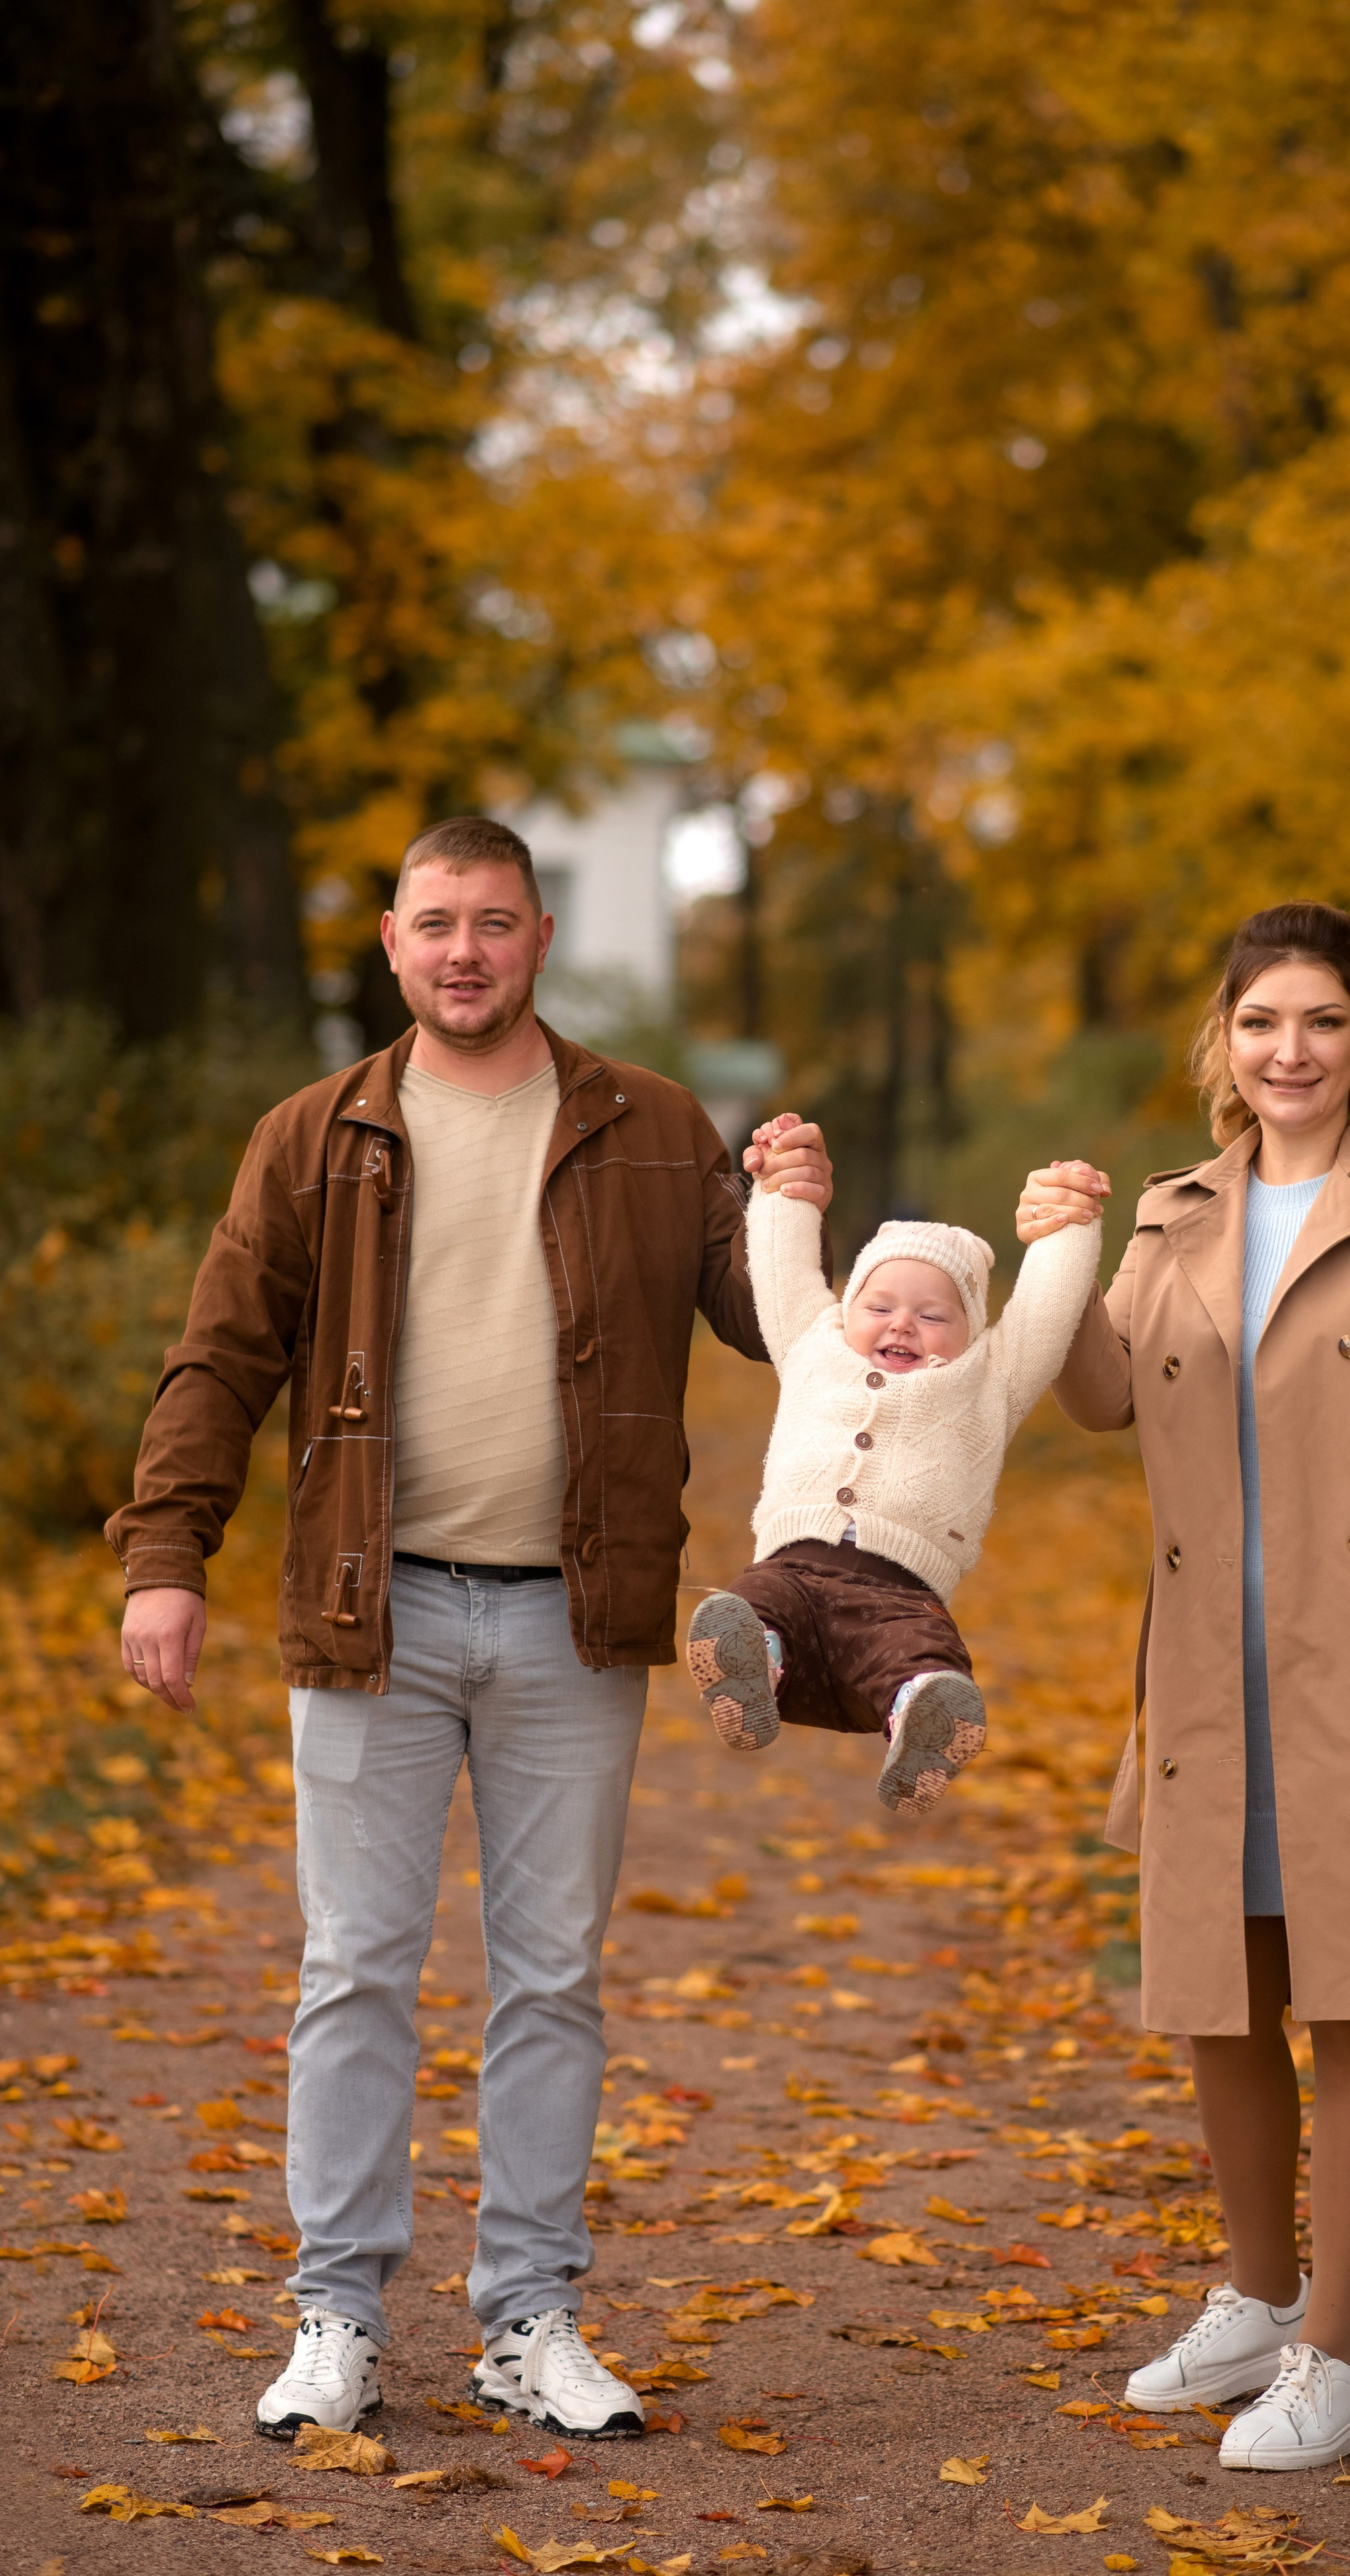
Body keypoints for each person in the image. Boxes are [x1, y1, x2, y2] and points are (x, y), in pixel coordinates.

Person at [107, 815, 832, 2445]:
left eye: (492, 922)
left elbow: (761, 1315)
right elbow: (219, 1356)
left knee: (551, 1978)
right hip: (374, 1611)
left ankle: (527, 2318)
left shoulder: (652, 1126)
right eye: (434, 922)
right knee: (354, 1967)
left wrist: (789, 1204)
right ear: (389, 940)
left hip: (576, 1618)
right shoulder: (315, 1136)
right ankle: (337, 2316)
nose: (462, 950)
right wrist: (168, 1552)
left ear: (538, 938)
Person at [1021, 900, 1350, 2472]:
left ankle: (1332, 2354)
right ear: (1223, 1040)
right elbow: (1103, 1394)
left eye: (1320, 1020)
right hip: (1209, 1658)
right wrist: (1057, 1258)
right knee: (1223, 1991)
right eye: (1260, 1022)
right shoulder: (1175, 1212)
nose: (1289, 1050)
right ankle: (1253, 2297)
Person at [684, 1135, 1104, 1807]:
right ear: (848, 1309)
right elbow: (781, 1270)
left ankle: (921, 1717)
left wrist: (1069, 1223)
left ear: (971, 1330)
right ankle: (753, 1661)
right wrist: (781, 1190)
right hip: (789, 1569)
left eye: (932, 1315)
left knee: (919, 1652)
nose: (901, 1324)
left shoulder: (990, 1381)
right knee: (752, 1604)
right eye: (878, 1307)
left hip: (900, 1593)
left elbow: (1046, 1313)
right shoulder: (813, 1344)